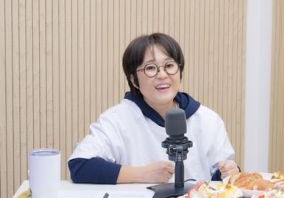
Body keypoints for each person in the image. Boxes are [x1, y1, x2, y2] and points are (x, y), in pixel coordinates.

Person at [68, 33, 238, 185]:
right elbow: (80, 165)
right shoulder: (117, 119)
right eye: (150, 68)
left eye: (169, 66)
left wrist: (229, 173)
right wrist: (143, 174)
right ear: (134, 80)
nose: (162, 75)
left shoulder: (207, 119)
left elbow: (221, 180)